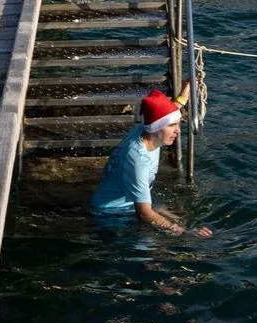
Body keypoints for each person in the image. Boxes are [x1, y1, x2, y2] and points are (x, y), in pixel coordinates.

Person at [90, 87, 213, 237]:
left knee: (177, 216)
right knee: (149, 252)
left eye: (178, 124)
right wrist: (185, 233)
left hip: (125, 203)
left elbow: (166, 112)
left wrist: (184, 94)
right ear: (156, 129)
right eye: (172, 126)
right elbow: (144, 213)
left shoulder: (145, 129)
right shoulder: (139, 162)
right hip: (112, 214)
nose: (178, 131)